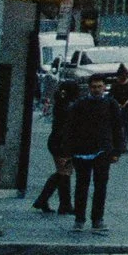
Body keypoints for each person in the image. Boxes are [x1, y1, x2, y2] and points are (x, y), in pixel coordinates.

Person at [55, 75, 125, 233]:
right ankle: (79, 219)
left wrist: (117, 151)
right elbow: (69, 128)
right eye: (94, 87)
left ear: (104, 87)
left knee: (100, 187)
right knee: (82, 186)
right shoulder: (80, 105)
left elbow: (117, 128)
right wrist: (67, 151)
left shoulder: (110, 104)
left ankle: (97, 220)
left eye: (100, 87)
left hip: (103, 150)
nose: (97, 90)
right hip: (82, 150)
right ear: (89, 88)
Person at [31, 79, 79, 213]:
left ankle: (60, 203)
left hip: (57, 141)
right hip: (62, 143)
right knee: (64, 172)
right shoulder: (67, 107)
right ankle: (51, 201)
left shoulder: (61, 103)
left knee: (64, 173)